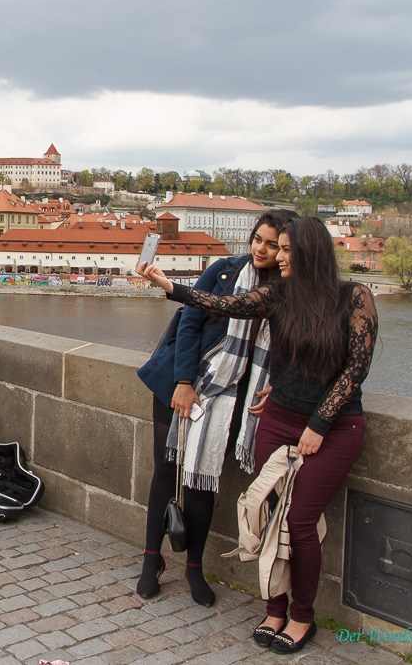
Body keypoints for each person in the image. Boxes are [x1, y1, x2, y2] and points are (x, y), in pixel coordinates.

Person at [138, 216, 378, 654]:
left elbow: (354, 371)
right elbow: (224, 305)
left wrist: (318, 423)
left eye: (287, 249)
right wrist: (169, 286)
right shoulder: (282, 295)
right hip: (278, 416)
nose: (279, 256)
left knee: (300, 523)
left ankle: (302, 617)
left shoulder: (355, 297)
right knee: (268, 517)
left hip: (328, 426)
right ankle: (274, 610)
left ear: (311, 253)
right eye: (275, 247)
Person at [135, 209, 297, 607]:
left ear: (288, 250)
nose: (261, 248)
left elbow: (293, 347)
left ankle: (194, 568)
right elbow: (189, 322)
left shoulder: (290, 291)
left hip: (232, 398)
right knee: (166, 471)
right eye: (258, 239)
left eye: (273, 244)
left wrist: (277, 381)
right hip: (181, 384)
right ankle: (150, 561)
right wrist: (186, 383)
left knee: (201, 482)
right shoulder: (224, 270)